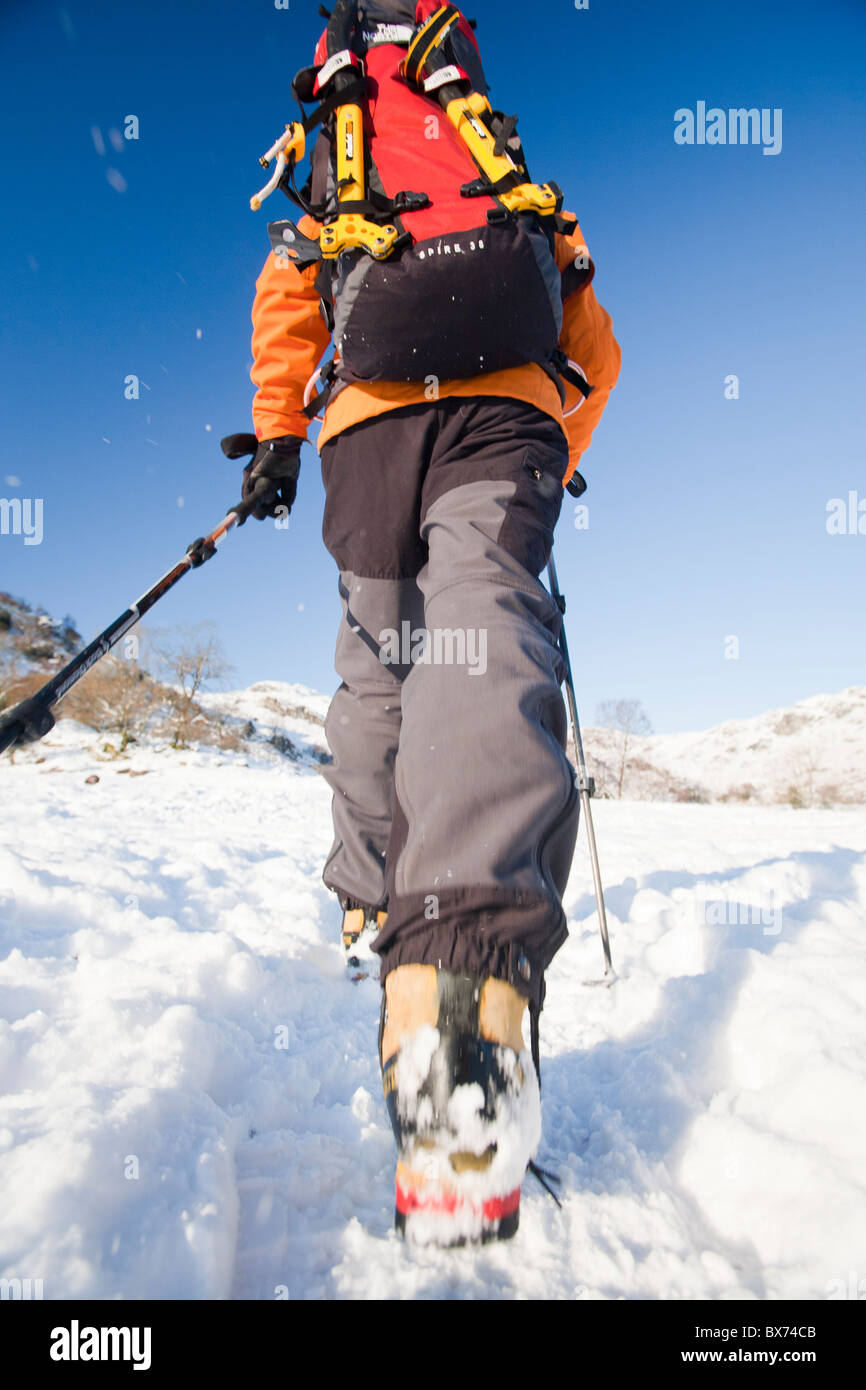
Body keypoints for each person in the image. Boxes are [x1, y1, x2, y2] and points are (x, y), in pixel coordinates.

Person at [224, 0, 620, 1245]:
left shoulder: (328, 187)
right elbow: (588, 340)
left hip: (363, 427)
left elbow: (289, 303)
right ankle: (457, 992)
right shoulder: (503, 177)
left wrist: (281, 441)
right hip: (500, 407)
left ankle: (368, 896)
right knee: (485, 621)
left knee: (379, 664)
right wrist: (555, 445)